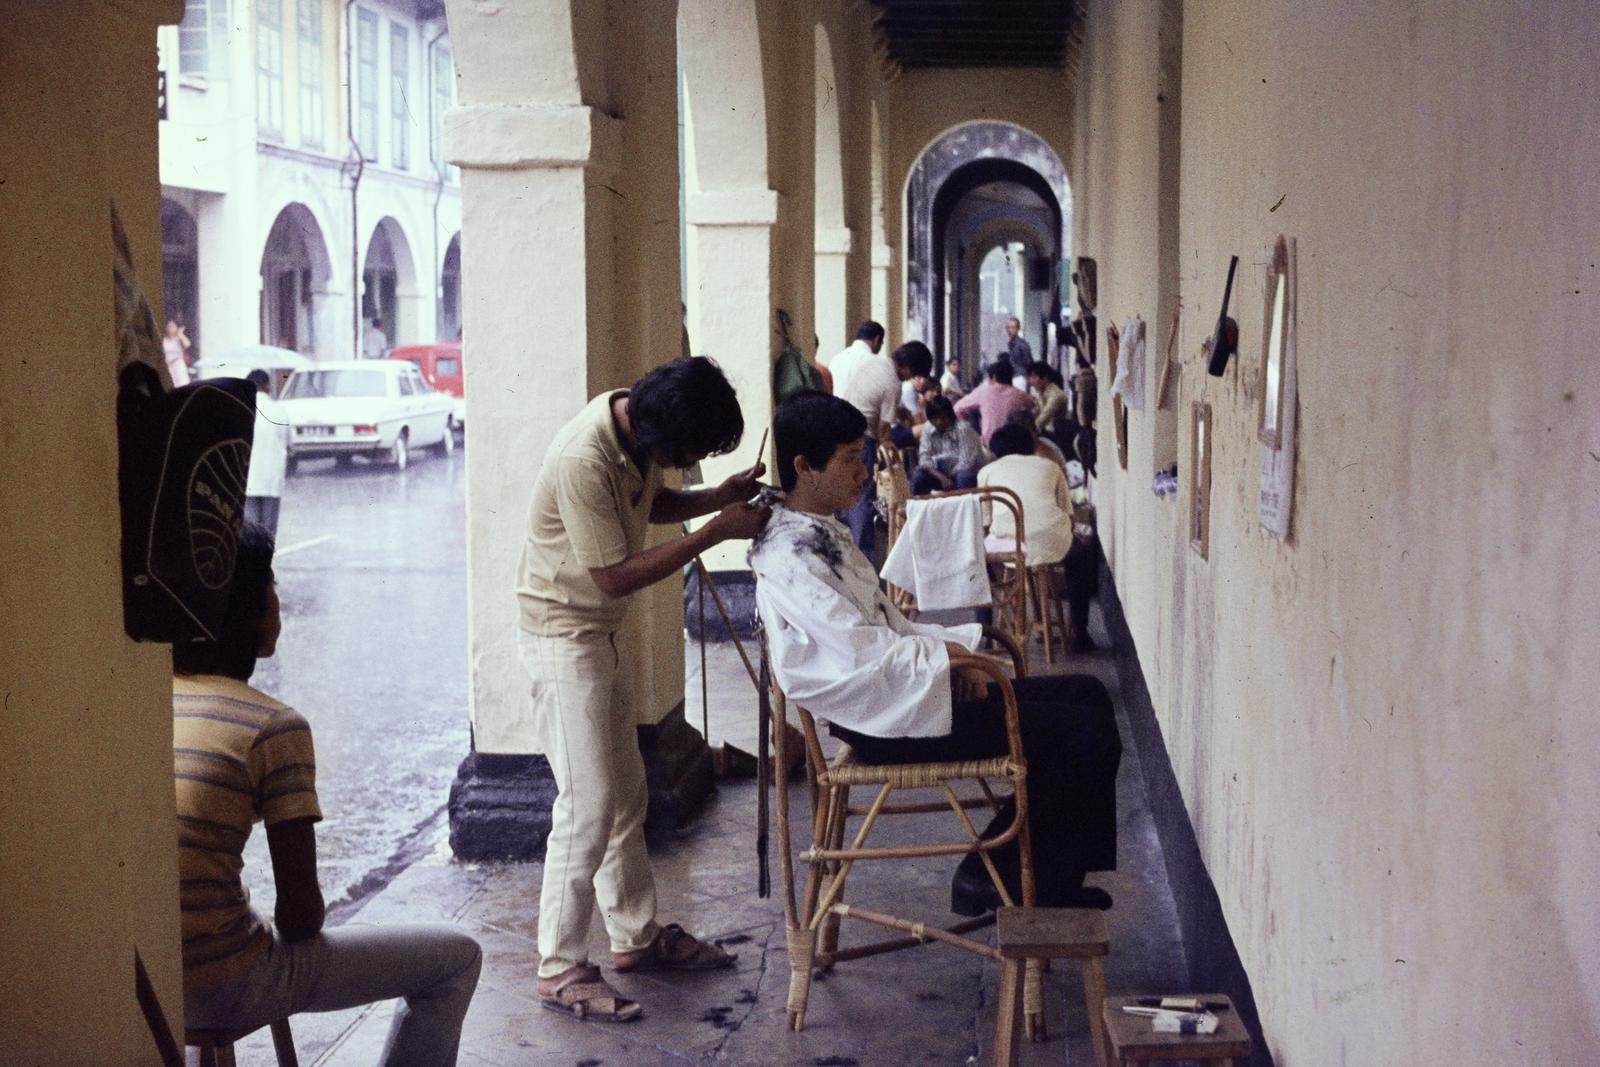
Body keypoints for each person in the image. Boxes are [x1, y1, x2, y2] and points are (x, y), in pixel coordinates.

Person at [749, 391, 1121, 914]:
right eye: (850, 459)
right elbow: (859, 650)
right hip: (882, 717)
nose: (863, 472)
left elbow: (890, 626)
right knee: (1083, 732)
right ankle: (992, 876)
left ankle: (1042, 870)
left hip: (898, 690)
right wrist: (947, 659)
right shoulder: (791, 555)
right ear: (804, 467)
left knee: (1087, 693)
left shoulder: (820, 532)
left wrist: (951, 655)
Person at [516, 356, 769, 1022]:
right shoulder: (585, 456)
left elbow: (650, 502)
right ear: (661, 434)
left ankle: (634, 937)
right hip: (561, 636)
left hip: (595, 634)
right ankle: (558, 966)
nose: (688, 464)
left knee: (625, 792)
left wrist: (718, 494)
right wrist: (714, 533)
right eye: (688, 455)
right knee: (588, 804)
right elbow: (614, 576)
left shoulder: (635, 426)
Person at [174, 522, 482, 1063]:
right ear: (251, 610)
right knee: (457, 958)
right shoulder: (273, 727)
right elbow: (301, 917)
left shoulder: (150, 700)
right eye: (271, 584)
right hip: (226, 984)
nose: (279, 600)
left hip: (155, 985)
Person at [828, 322, 898, 555]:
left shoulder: (836, 359)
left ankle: (842, 553)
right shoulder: (873, 362)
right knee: (860, 494)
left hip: (835, 433)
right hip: (861, 436)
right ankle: (861, 556)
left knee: (840, 496)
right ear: (877, 340)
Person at [912, 394, 987, 495]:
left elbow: (966, 462)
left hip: (967, 472)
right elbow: (924, 458)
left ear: (950, 416)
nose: (939, 422)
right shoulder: (927, 428)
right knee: (918, 477)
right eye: (935, 419)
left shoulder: (962, 428)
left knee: (964, 477)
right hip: (943, 474)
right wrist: (942, 477)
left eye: (943, 418)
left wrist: (949, 478)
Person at [244, 369, 289, 537]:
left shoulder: (241, 409)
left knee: (250, 530)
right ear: (267, 386)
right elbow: (289, 443)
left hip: (248, 479)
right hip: (272, 479)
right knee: (268, 531)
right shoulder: (279, 411)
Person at [953, 358, 1035, 445]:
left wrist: (967, 423)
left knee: (973, 412)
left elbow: (956, 408)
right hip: (1014, 444)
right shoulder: (1020, 394)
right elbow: (1033, 404)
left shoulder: (983, 390)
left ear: (994, 377)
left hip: (989, 443)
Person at [1027, 359, 1069, 442]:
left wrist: (1027, 431)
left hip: (1055, 436)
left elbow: (1042, 419)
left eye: (1034, 377)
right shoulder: (1041, 392)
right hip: (1045, 433)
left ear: (1045, 378)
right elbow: (1034, 413)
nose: (1031, 382)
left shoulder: (1056, 395)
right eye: (1030, 377)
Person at [163, 318, 192, 387]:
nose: (170, 328)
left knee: (181, 384)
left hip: (178, 365)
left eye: (173, 326)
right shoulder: (163, 340)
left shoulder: (178, 339)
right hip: (167, 365)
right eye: (169, 326)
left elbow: (187, 344)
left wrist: (180, 334)